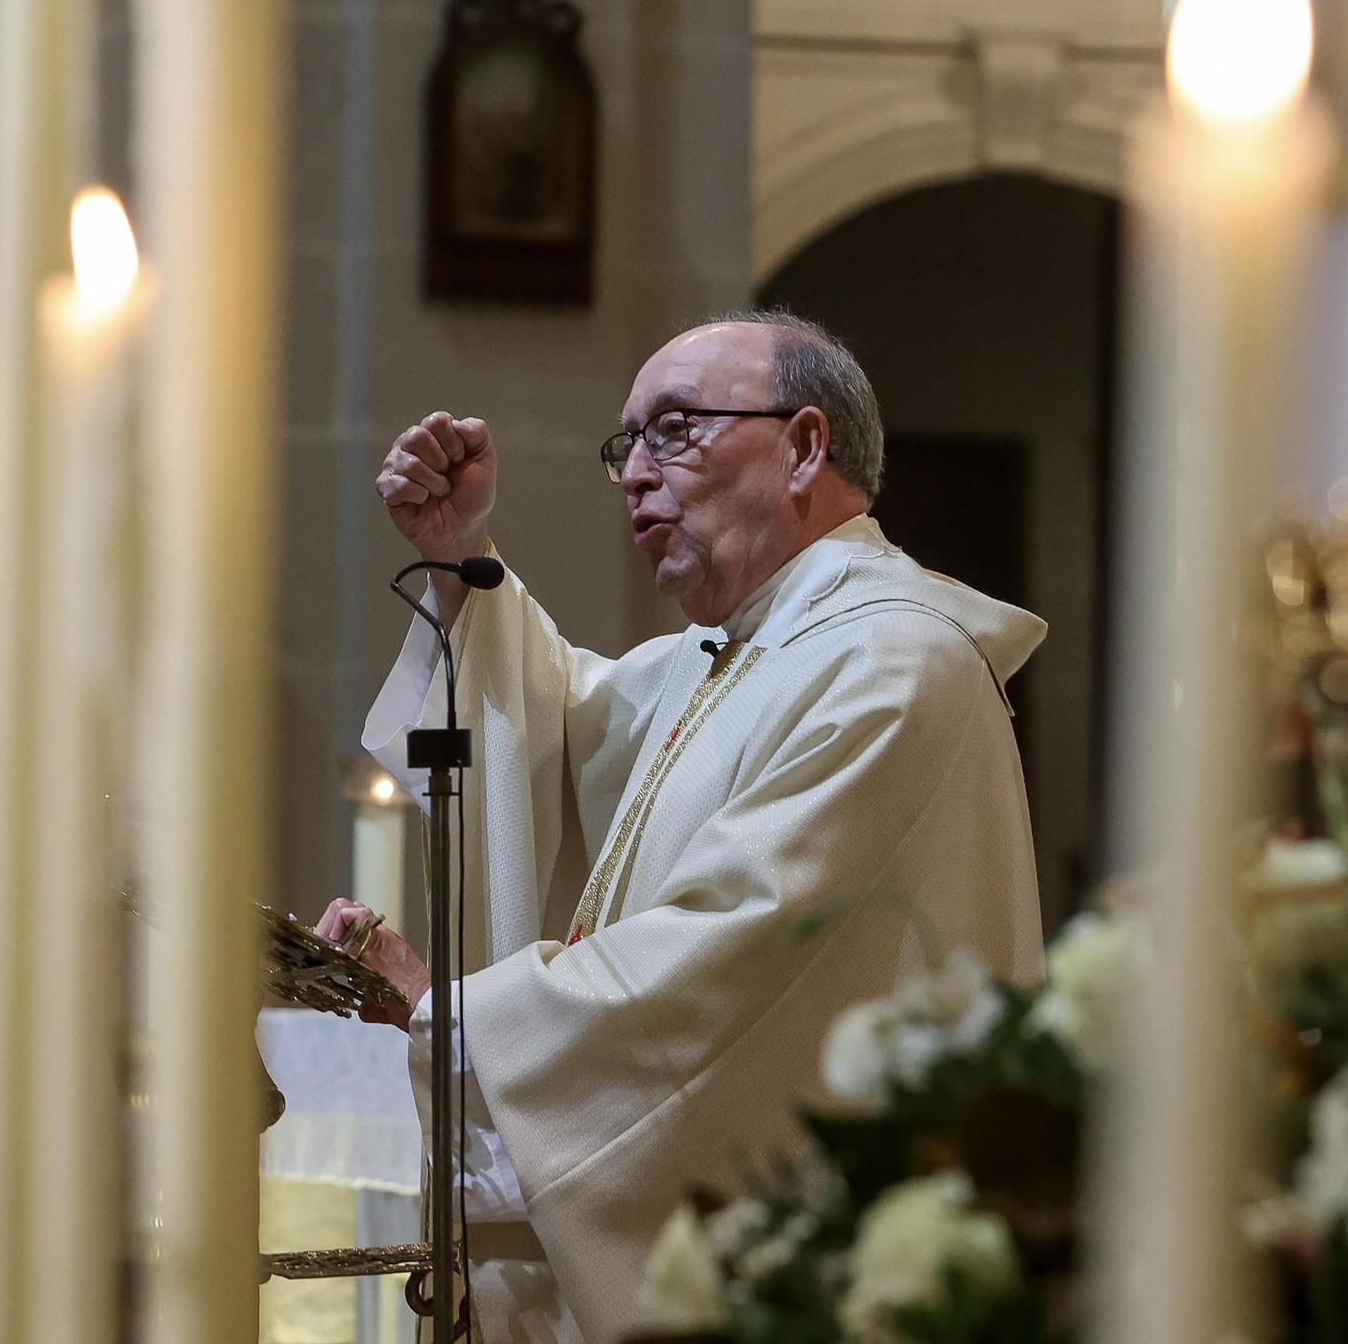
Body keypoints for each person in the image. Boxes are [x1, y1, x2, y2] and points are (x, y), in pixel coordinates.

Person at [315, 309, 1046, 1344]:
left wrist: (451, 1012)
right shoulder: (732, 655)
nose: (631, 473)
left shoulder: (886, 663)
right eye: (626, 443)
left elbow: (730, 958)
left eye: (673, 429)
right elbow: (552, 728)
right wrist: (457, 558)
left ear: (802, 445)